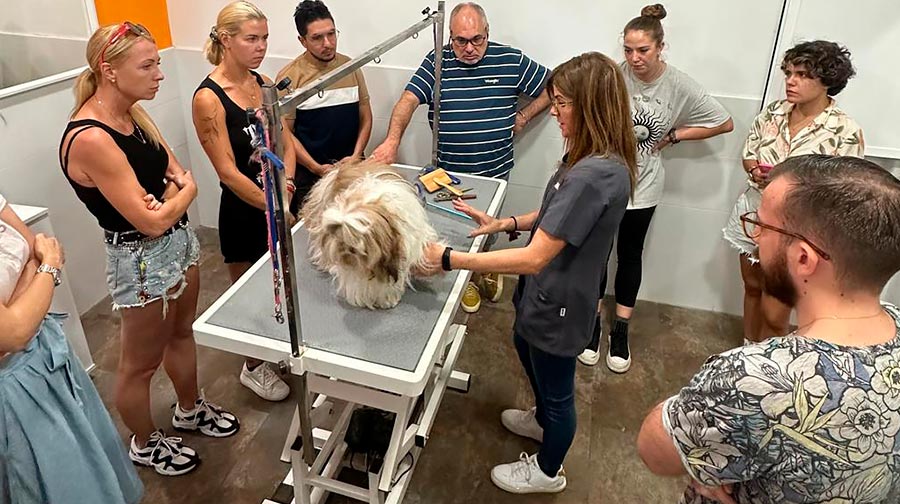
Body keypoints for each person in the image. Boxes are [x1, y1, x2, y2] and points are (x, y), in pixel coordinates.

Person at [420, 52, 637, 494]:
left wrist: (449, 259)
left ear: (591, 105)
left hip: (560, 300)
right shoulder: (590, 157)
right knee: (523, 343)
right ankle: (541, 419)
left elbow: (535, 258)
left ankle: (548, 469)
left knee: (558, 393)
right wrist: (505, 223)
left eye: (562, 103)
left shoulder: (594, 174)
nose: (553, 111)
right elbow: (557, 212)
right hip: (543, 294)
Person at [638, 154, 900, 503]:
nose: (755, 236)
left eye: (762, 226)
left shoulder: (755, 380)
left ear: (803, 258)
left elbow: (654, 449)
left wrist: (709, 439)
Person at [61, 22, 239, 477]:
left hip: (178, 242)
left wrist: (173, 195)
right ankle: (143, 442)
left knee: (182, 333)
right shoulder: (92, 137)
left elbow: (182, 178)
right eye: (148, 65)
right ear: (110, 70)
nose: (160, 73)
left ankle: (188, 408)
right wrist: (176, 195)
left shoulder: (136, 116)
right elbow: (153, 217)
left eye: (158, 61)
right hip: (139, 259)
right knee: (139, 365)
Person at [579, 3, 734, 373]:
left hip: (644, 187)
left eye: (643, 50)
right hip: (606, 182)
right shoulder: (615, 76)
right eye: (628, 50)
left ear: (660, 47)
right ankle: (592, 324)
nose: (634, 59)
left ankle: (621, 329)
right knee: (597, 254)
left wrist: (677, 134)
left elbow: (723, 122)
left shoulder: (679, 84)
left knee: (630, 255)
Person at [372, 1, 551, 314]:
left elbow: (554, 85)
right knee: (455, 230)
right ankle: (464, 279)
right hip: (449, 176)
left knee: (491, 225)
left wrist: (524, 116)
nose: (469, 48)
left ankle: (486, 267)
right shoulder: (436, 61)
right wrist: (391, 141)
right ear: (450, 38)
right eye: (460, 41)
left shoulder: (510, 59)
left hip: (494, 172)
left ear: (487, 34)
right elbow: (407, 101)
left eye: (477, 40)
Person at [0, 200, 143, 503]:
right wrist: (45, 270)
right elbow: (13, 332)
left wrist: (41, 271)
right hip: (13, 393)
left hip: (45, 353)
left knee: (90, 465)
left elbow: (39, 246)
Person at [723, 40, 864, 344]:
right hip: (755, 212)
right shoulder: (773, 113)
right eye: (788, 73)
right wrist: (755, 170)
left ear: (827, 79)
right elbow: (749, 153)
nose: (790, 81)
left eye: (802, 75)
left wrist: (793, 182)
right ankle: (748, 351)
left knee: (777, 309)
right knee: (751, 286)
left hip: (799, 224)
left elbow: (846, 189)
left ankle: (768, 365)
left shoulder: (844, 129)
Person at [193, 1, 294, 402]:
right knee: (249, 294)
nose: (261, 46)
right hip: (243, 208)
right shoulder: (209, 98)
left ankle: (275, 348)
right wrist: (272, 205)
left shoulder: (262, 82)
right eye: (252, 38)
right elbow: (227, 171)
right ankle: (252, 367)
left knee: (284, 281)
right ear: (226, 40)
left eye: (265, 37)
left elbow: (282, 138)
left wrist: (286, 183)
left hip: (277, 198)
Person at [277, 0, 373, 214]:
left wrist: (356, 155)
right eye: (317, 38)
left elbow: (365, 117)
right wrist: (314, 167)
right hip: (311, 177)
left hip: (352, 169)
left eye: (332, 34)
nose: (328, 43)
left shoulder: (351, 68)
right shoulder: (290, 78)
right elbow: (286, 135)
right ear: (302, 40)